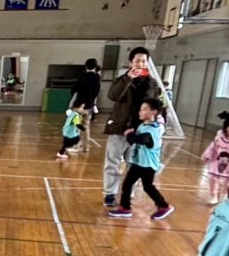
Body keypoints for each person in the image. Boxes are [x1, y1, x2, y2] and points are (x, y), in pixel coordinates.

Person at [101, 47, 161, 207]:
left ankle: (129, 191)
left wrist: (154, 123)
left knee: (134, 163)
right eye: (137, 60)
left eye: (143, 61)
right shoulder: (121, 80)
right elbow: (113, 96)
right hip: (119, 126)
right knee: (112, 161)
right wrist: (128, 79)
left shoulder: (152, 83)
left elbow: (154, 105)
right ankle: (109, 193)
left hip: (140, 129)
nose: (140, 64)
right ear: (130, 62)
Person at [108, 98, 173, 220]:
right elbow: (134, 138)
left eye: (144, 109)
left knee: (147, 187)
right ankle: (125, 208)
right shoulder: (143, 125)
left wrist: (129, 134)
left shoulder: (154, 129)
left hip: (147, 165)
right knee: (127, 184)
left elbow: (140, 139)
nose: (140, 111)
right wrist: (131, 133)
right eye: (140, 109)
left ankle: (164, 206)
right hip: (138, 162)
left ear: (154, 112)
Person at [69, 58, 101, 123]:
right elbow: (96, 91)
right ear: (95, 67)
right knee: (86, 125)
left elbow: (74, 89)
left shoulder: (81, 76)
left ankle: (77, 132)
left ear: (86, 66)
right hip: (89, 104)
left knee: (76, 124)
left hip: (78, 104)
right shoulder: (97, 77)